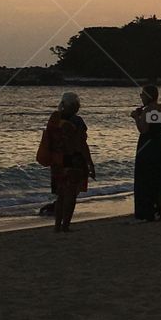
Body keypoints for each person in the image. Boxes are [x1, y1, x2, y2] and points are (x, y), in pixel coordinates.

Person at [44, 91, 95, 233]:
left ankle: (57, 226)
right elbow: (82, 144)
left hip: (57, 160)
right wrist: (90, 162)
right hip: (73, 159)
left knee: (61, 194)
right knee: (71, 194)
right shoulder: (77, 121)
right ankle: (65, 226)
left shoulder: (54, 120)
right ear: (74, 106)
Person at [131, 84, 161, 222]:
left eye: (142, 94)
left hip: (148, 146)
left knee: (146, 179)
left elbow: (143, 129)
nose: (141, 97)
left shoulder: (148, 110)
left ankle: (147, 212)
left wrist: (136, 117)